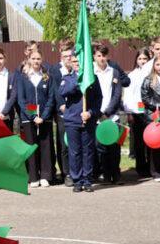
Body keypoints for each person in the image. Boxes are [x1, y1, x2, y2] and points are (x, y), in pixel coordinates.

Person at [59, 55, 103, 192]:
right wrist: (79, 82)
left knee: (88, 151)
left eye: (79, 61)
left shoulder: (93, 78)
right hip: (72, 120)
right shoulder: (67, 78)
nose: (77, 64)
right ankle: (77, 180)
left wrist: (90, 112)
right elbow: (63, 92)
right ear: (70, 64)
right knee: (74, 152)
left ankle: (87, 179)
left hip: (87, 120)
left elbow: (98, 99)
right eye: (74, 62)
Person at [17, 49, 55, 187]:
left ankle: (45, 175)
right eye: (33, 59)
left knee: (46, 146)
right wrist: (33, 116)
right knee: (31, 146)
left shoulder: (47, 76)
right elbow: (21, 100)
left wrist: (43, 116)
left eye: (38, 59)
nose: (36, 61)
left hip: (45, 117)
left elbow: (51, 98)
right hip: (29, 118)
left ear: (42, 60)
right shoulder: (23, 77)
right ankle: (33, 176)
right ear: (29, 60)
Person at [93, 45, 124, 184]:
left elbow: (117, 94)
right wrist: (99, 113)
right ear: (94, 57)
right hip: (97, 116)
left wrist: (108, 112)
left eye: (104, 56)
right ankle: (105, 175)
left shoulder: (114, 72)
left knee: (114, 148)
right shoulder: (91, 73)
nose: (102, 58)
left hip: (112, 116)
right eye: (99, 56)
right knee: (101, 149)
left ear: (108, 56)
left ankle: (116, 175)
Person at [124, 48, 152, 178]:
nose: (142, 61)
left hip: (151, 111)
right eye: (140, 58)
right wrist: (129, 112)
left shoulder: (153, 73)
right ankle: (141, 168)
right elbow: (128, 95)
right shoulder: (132, 75)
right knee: (139, 142)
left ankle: (152, 166)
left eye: (145, 59)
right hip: (137, 112)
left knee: (151, 141)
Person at [51, 39, 74, 185]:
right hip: (62, 113)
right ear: (61, 57)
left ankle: (76, 170)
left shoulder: (77, 70)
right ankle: (66, 173)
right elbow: (55, 90)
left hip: (76, 111)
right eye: (65, 57)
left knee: (75, 143)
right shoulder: (55, 70)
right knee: (63, 144)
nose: (68, 59)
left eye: (70, 56)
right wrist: (61, 105)